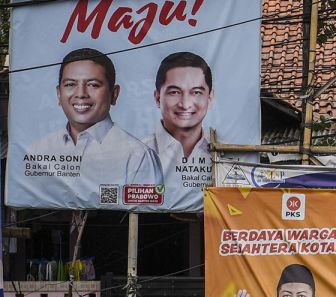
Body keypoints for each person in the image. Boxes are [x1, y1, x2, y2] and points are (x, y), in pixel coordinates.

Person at [23, 48, 162, 206]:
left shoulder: (137, 156)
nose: (81, 94)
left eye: (93, 85)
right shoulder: (38, 150)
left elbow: (147, 212)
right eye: (70, 84)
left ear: (114, 94)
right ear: (58, 94)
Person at [143, 51, 213, 204]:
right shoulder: (137, 154)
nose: (185, 104)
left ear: (209, 97)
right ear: (157, 97)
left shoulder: (222, 153)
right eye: (174, 92)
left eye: (196, 92)